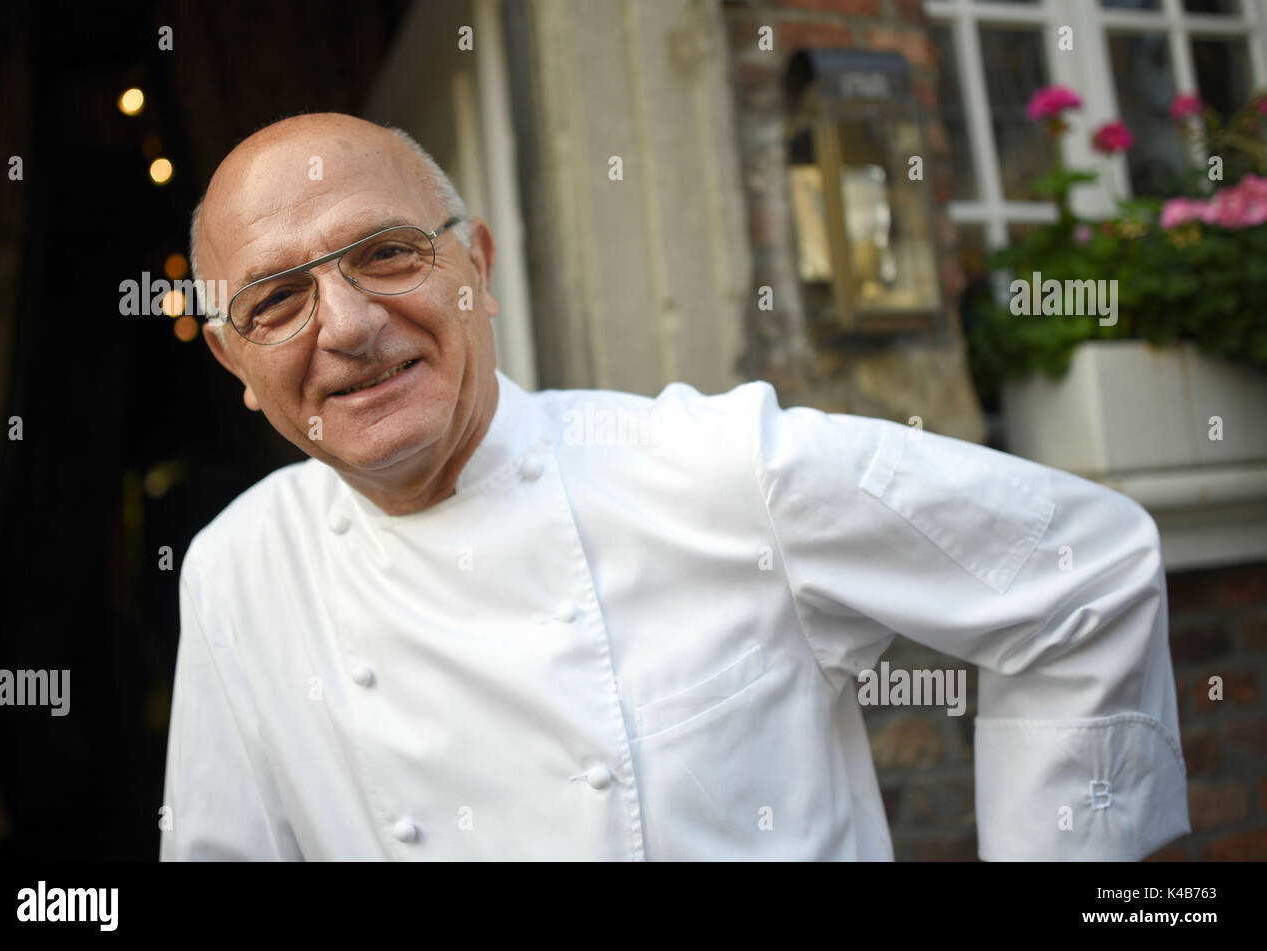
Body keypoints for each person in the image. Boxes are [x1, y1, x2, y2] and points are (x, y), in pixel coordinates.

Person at [159, 112, 1190, 861]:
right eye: (277, 299)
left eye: (385, 255)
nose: (346, 326)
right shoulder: (237, 571)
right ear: (233, 364)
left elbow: (1079, 572)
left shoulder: (717, 465)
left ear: (476, 264)